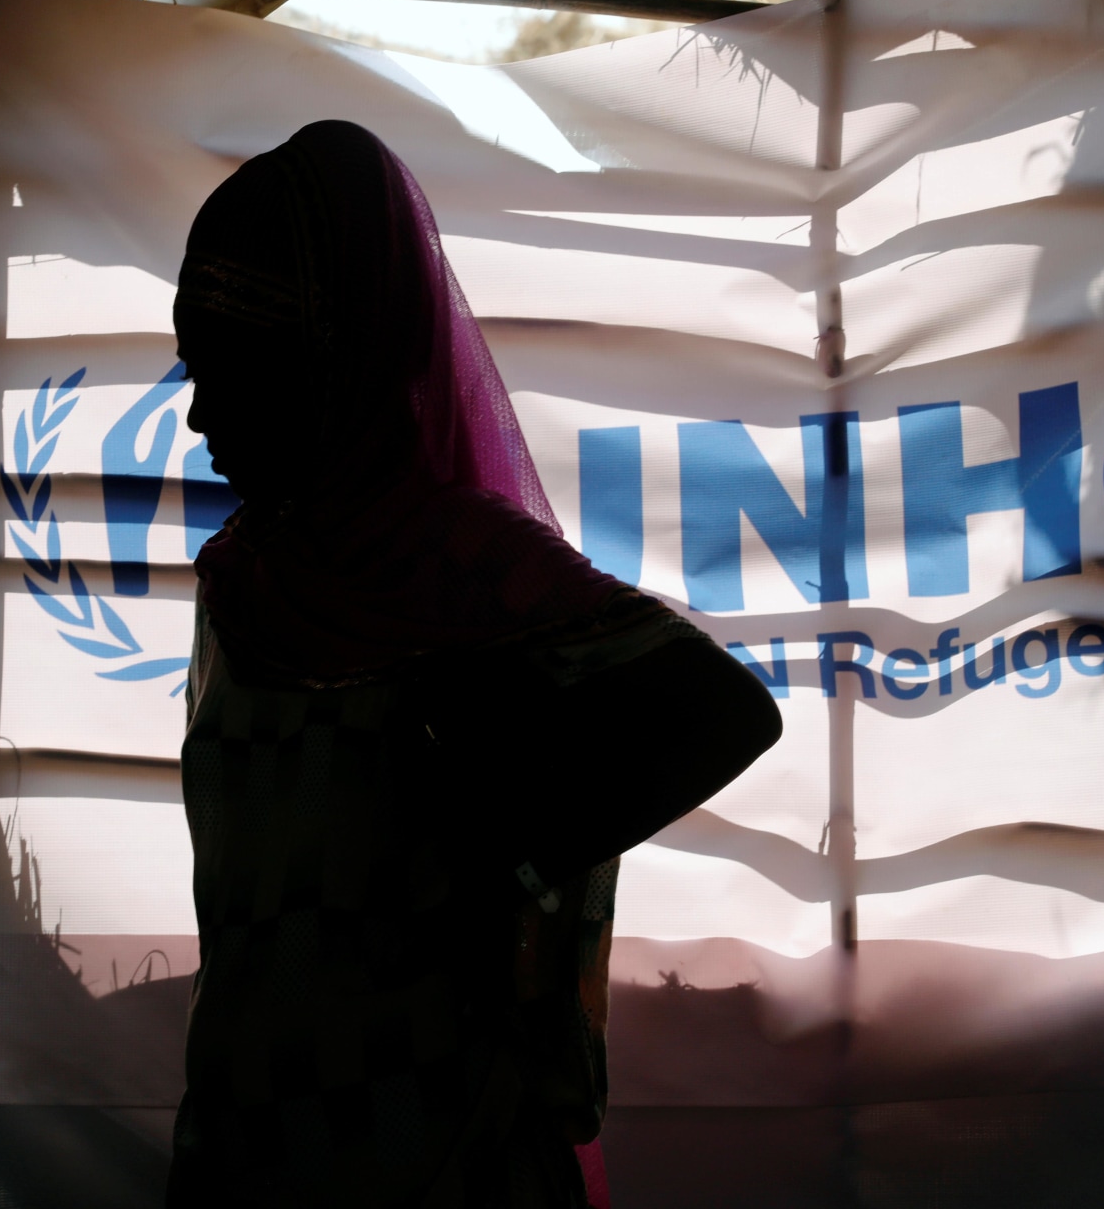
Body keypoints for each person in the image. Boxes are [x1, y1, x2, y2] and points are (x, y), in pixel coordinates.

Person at [167, 120, 782, 1209]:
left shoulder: (461, 565)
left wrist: (494, 843)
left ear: (331, 363)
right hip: (247, 1136)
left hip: (439, 1145)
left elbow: (722, 713)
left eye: (236, 370)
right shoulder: (244, 583)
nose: (201, 414)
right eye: (194, 369)